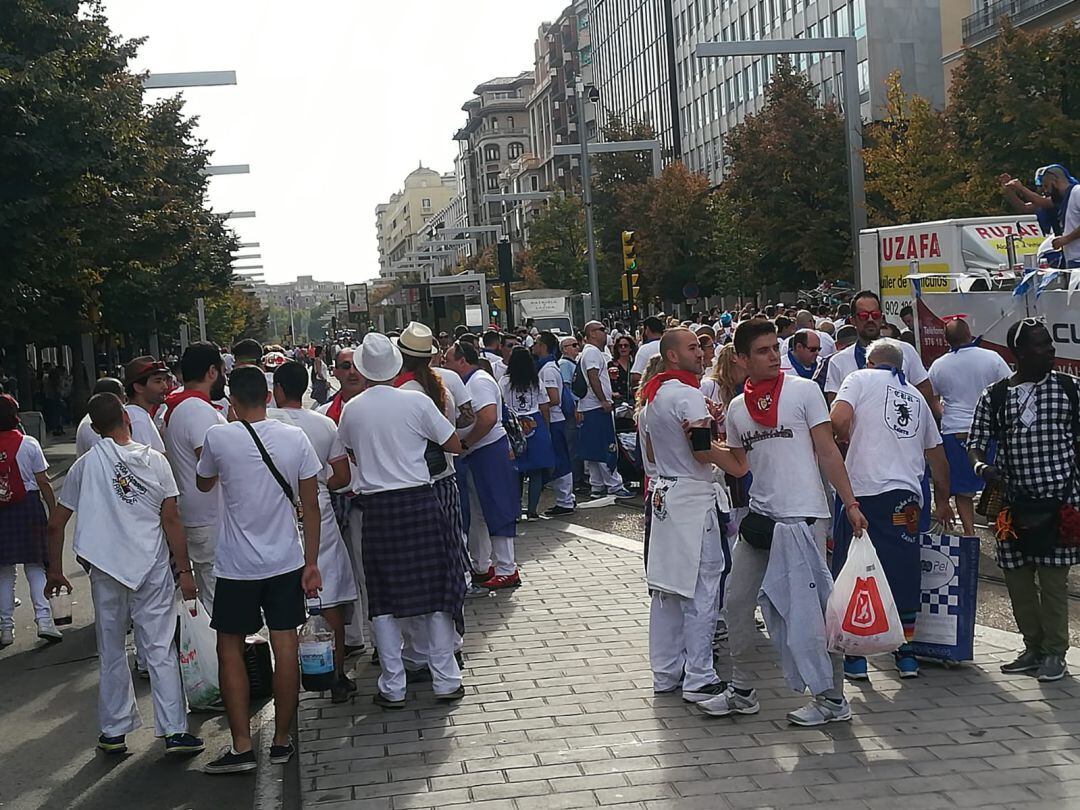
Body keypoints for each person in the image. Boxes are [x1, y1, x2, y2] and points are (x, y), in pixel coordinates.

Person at [700, 318, 867, 726]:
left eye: (775, 348)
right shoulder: (737, 408)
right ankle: (742, 691)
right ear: (741, 359)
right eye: (763, 351)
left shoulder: (804, 391)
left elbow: (827, 451)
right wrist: (702, 438)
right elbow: (739, 466)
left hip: (805, 517)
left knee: (814, 612)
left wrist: (850, 503)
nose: (774, 357)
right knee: (736, 603)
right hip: (761, 520)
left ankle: (832, 699)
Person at [44, 392, 204, 756]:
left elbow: (55, 524)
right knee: (160, 646)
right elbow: (171, 519)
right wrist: (185, 570)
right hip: (151, 566)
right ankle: (175, 731)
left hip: (106, 567)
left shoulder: (85, 466)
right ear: (127, 418)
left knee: (111, 649)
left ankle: (114, 731)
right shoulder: (156, 462)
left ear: (94, 428)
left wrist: (55, 571)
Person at [195, 366, 322, 773]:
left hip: (236, 565)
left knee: (229, 648)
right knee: (285, 646)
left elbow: (203, 482)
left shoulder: (218, 437)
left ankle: (241, 746)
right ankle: (282, 740)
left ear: (231, 401)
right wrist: (312, 562)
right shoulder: (295, 437)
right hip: (286, 560)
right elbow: (311, 505)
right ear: (268, 397)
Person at [338, 334, 466, 707]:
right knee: (437, 593)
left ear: (363, 369)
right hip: (419, 503)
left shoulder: (352, 409)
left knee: (383, 599)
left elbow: (351, 451)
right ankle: (446, 680)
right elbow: (453, 444)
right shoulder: (416, 401)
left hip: (377, 510)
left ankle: (393, 686)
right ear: (396, 366)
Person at [830, 338, 953, 681]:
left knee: (856, 569)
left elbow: (838, 419)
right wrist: (943, 501)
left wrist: (844, 441)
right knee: (902, 569)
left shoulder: (858, 379)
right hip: (906, 497)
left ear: (869, 362)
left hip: (864, 491)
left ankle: (856, 655)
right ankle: (906, 653)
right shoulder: (916, 396)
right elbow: (938, 459)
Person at [969, 318, 1080, 683]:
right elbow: (975, 442)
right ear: (1018, 353)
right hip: (1011, 508)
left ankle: (1055, 653)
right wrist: (982, 466)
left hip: (1060, 504)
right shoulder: (996, 395)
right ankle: (1032, 647)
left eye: (1049, 343)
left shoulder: (1070, 389)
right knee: (1017, 580)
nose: (1050, 350)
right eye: (1040, 345)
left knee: (1053, 583)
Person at [638, 329, 745, 702]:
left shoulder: (655, 396)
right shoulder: (687, 395)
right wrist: (733, 453)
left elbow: (654, 451)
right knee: (702, 586)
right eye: (693, 347)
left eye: (700, 347)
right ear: (672, 355)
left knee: (668, 589)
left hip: (665, 493)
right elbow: (701, 452)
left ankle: (666, 671)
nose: (701, 353)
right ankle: (699, 674)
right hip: (693, 496)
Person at [268, 361, 358, 703]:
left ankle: (289, 676)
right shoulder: (323, 423)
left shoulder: (263, 422)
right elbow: (343, 477)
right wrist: (319, 485)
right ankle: (336, 676)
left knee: (281, 596)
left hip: (274, 512)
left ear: (277, 389)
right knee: (328, 594)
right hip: (317, 511)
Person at [443, 341, 521, 589]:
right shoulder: (469, 382)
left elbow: (487, 418)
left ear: (462, 361)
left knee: (497, 508)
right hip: (478, 453)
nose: (445, 365)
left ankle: (507, 567)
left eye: (448, 361)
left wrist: (466, 443)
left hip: (489, 450)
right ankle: (482, 564)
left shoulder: (478, 382)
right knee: (479, 512)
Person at [928, 317, 1012, 535]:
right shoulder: (992, 358)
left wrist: (945, 413)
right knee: (997, 484)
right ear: (969, 334)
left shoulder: (938, 365)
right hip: (989, 430)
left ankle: (970, 534)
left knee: (963, 491)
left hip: (955, 431)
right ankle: (1000, 528)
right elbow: (1010, 389)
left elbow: (932, 398)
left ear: (946, 340)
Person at [161, 342, 227, 614]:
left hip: (199, 514)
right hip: (209, 516)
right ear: (212, 372)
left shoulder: (180, 406)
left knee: (212, 594)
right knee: (218, 599)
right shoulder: (198, 410)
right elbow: (210, 463)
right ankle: (219, 643)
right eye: (222, 370)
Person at [317, 346, 368, 654]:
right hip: (335, 503)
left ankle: (383, 642)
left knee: (369, 574)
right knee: (341, 573)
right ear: (334, 372)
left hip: (368, 502)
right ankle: (352, 638)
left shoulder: (375, 408)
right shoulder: (324, 414)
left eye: (355, 365)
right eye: (344, 366)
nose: (351, 372)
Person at [0, 395, 60, 646]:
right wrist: (54, 510)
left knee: (4, 572)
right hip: (28, 507)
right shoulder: (28, 443)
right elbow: (43, 481)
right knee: (35, 566)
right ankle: (44, 621)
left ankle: (5, 629)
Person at [578, 321, 634, 499]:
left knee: (593, 448)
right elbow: (593, 376)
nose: (605, 332)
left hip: (590, 407)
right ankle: (614, 484)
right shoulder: (592, 352)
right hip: (596, 407)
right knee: (606, 447)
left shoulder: (589, 352)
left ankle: (597, 485)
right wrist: (603, 400)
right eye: (601, 330)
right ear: (592, 333)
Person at [501, 346, 556, 521]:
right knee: (536, 471)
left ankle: (516, 511)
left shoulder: (504, 381)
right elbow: (544, 406)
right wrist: (546, 428)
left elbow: (501, 405)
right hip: (535, 424)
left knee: (516, 471)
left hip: (513, 426)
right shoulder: (536, 380)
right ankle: (532, 510)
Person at [534, 332, 575, 517]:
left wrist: (537, 405)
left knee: (560, 459)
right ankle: (565, 498)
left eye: (536, 343)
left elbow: (554, 398)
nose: (533, 346)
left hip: (554, 419)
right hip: (554, 419)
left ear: (543, 346)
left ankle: (565, 500)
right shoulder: (547, 366)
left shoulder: (548, 369)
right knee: (559, 458)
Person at [122, 356, 169, 453]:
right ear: (138, 387)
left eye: (164, 380)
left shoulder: (138, 415)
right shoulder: (137, 420)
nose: (165, 386)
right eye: (158, 381)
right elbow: (144, 461)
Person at [75, 378, 127, 458]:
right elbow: (104, 455)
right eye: (122, 392)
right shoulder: (94, 421)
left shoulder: (101, 416)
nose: (125, 395)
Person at [630, 317, 665, 389]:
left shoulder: (645, 349)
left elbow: (636, 377)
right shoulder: (672, 346)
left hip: (651, 390)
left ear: (647, 329)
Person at [608, 334, 637, 405]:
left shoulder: (634, 364)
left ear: (630, 348)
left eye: (626, 345)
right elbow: (606, 382)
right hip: (617, 400)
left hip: (632, 400)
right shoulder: (611, 364)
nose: (623, 348)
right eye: (620, 346)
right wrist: (612, 393)